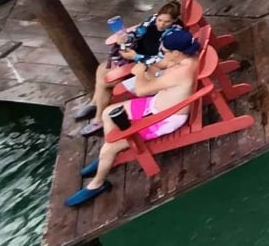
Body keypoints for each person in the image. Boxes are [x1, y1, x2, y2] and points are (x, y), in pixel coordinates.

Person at [65, 30, 203, 207]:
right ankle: (111, 152)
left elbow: (141, 90)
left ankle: (98, 183)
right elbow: (159, 70)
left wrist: (139, 73)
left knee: (109, 147)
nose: (163, 54)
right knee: (108, 112)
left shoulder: (179, 72)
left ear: (176, 53)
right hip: (155, 106)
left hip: (165, 118)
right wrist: (143, 61)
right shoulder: (186, 58)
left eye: (165, 51)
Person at [74, 1, 184, 137]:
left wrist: (136, 56)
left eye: (166, 22)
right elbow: (137, 33)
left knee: (105, 83)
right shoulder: (152, 20)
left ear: (175, 20)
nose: (161, 24)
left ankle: (98, 119)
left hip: (149, 69)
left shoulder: (173, 35)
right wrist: (125, 39)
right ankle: (95, 103)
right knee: (102, 68)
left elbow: (161, 62)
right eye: (160, 20)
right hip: (137, 58)